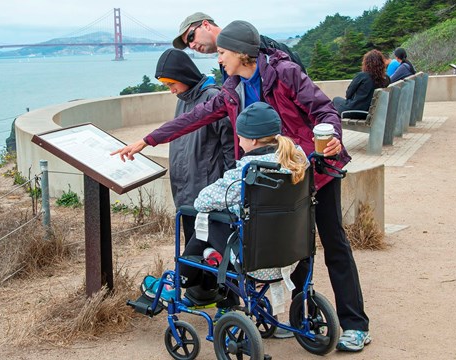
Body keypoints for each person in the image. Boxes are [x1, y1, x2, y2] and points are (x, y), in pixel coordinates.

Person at [112, 20, 371, 352]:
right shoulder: (232, 88)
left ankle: (355, 325)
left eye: (222, 53)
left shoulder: (285, 72)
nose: (219, 60)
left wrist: (331, 135)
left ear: (241, 53)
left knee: (334, 243)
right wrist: (146, 140)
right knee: (291, 248)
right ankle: (297, 319)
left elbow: (322, 108)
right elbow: (196, 116)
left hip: (310, 169)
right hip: (268, 176)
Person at [142, 102, 307, 321]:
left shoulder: (247, 173)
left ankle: (178, 283)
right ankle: (202, 279)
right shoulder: (298, 161)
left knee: (205, 221)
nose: (238, 141)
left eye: (241, 137)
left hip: (255, 264)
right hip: (291, 256)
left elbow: (202, 201)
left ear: (254, 140)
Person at [154, 48, 235, 244]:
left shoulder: (212, 97)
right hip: (185, 194)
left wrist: (226, 194)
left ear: (183, 76)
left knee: (211, 256)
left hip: (209, 198)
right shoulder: (183, 100)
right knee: (193, 258)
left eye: (171, 83)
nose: (171, 90)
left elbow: (230, 150)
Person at [172, 12, 306, 74]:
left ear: (206, 25)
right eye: (187, 45)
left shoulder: (259, 46)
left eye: (190, 37)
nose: (191, 46)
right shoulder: (224, 62)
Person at [333, 49, 391, 118]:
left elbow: (348, 94)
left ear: (366, 63)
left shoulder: (362, 76)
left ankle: (330, 125)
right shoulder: (386, 79)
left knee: (335, 100)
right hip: (369, 112)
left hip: (354, 111)